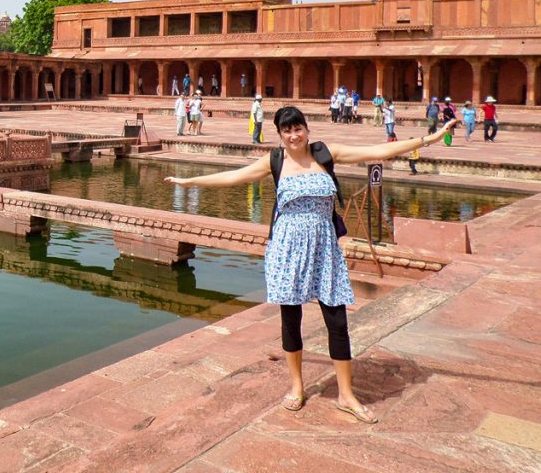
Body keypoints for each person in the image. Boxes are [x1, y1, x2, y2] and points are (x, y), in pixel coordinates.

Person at [165, 106, 457, 424]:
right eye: (287, 130)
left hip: (324, 250)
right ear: (279, 135)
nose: (294, 135)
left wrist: (430, 138)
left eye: (298, 128)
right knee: (292, 322)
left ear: (307, 129)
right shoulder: (275, 161)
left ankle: (346, 395)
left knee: (338, 321)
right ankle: (297, 386)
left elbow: (378, 150)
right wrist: (189, 181)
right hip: (287, 250)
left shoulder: (326, 154)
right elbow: (234, 177)